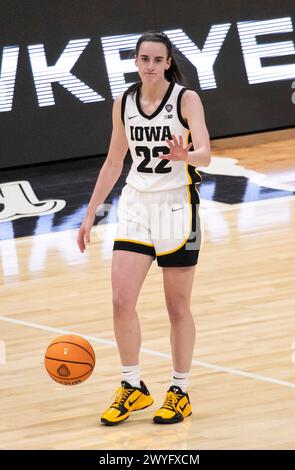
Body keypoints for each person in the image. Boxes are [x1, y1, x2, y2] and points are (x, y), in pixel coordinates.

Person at [77, 30, 211, 425]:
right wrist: (90, 213)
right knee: (121, 300)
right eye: (143, 59)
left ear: (168, 63)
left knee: (177, 307)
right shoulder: (123, 103)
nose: (150, 65)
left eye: (157, 59)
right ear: (136, 61)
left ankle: (180, 390)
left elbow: (206, 152)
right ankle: (132, 386)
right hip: (136, 204)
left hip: (176, 207)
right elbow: (114, 161)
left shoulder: (186, 99)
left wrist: (188, 154)